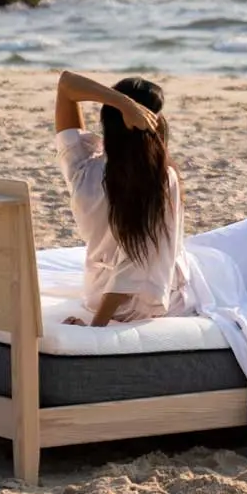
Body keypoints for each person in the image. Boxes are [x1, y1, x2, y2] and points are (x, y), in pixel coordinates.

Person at [53, 71, 190, 327]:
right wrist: (96, 328)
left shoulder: (81, 166)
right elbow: (135, 263)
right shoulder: (157, 179)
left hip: (97, 293)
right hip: (137, 305)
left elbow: (66, 85)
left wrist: (121, 103)